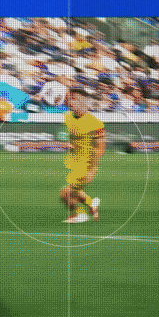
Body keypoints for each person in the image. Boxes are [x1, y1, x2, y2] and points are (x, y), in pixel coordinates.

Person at [59, 88, 105, 223]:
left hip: (86, 164)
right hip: (73, 162)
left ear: (85, 101)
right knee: (73, 192)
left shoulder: (95, 123)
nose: (72, 102)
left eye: (76, 100)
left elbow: (101, 147)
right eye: (71, 99)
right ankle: (91, 205)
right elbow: (73, 136)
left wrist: (93, 170)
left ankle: (78, 215)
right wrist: (70, 144)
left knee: (65, 193)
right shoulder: (68, 117)